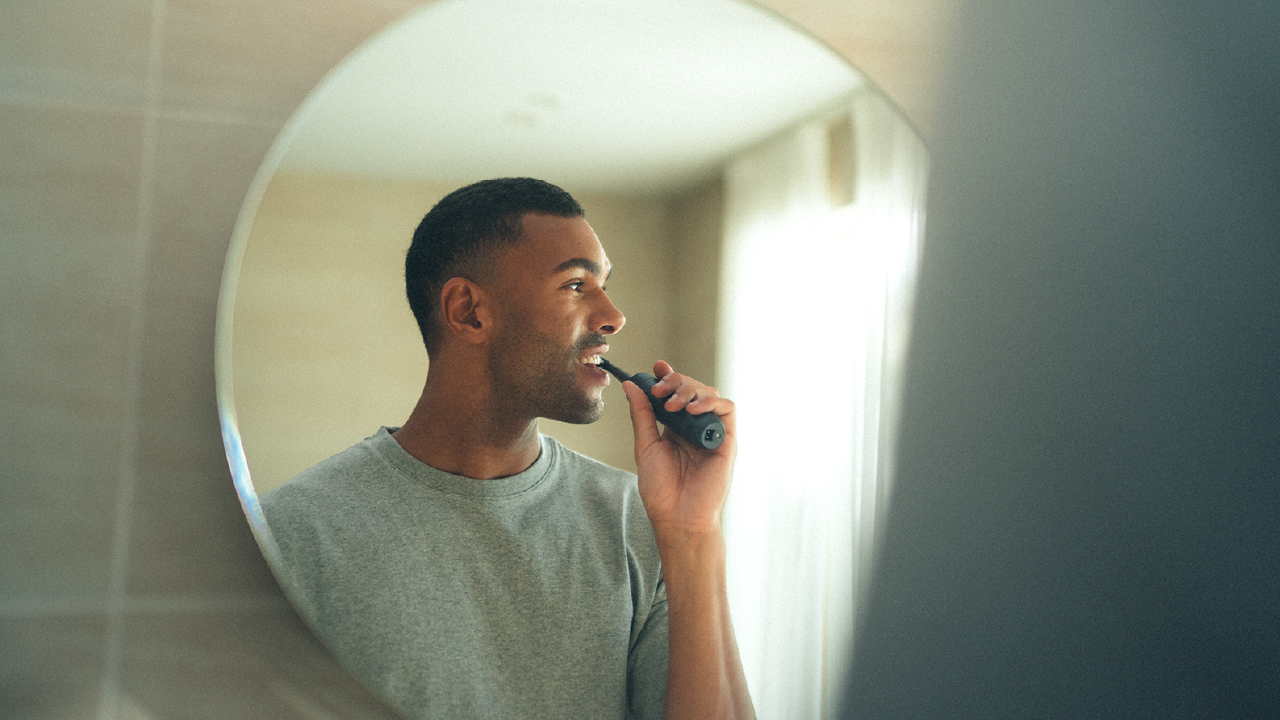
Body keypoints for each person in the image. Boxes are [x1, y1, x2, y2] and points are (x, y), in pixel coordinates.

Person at [262, 178, 755, 720]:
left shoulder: (639, 524)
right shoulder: (293, 532)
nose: (613, 315)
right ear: (469, 311)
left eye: (604, 285)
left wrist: (693, 535)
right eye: (575, 285)